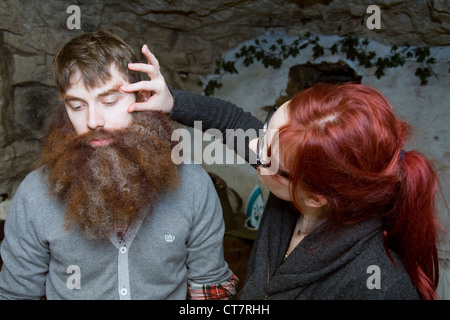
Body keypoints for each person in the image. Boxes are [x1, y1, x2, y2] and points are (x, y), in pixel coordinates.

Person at [123, 48, 445, 300]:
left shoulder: (379, 286)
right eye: (266, 129)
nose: (253, 147)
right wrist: (171, 101)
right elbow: (231, 120)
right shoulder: (294, 180)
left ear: (316, 195)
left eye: (265, 156)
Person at [0, 31, 238, 300]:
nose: (93, 121)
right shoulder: (35, 193)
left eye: (110, 101)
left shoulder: (193, 185)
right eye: (77, 106)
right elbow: (16, 294)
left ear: (141, 97)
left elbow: (210, 290)